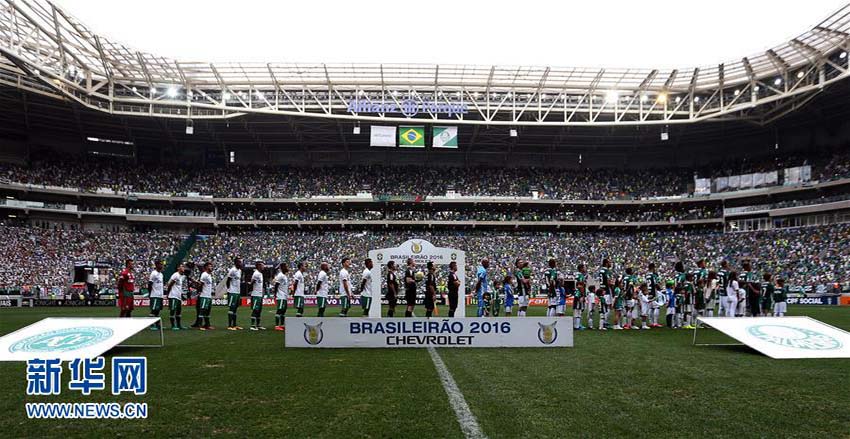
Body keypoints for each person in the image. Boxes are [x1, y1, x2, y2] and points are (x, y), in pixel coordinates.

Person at [165, 262, 186, 331]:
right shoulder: (175, 275)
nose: (183, 268)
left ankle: (179, 325)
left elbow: (178, 287)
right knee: (173, 310)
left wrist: (181, 295)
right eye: (182, 266)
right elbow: (170, 284)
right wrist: (168, 294)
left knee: (178, 312)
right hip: (173, 296)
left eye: (183, 266)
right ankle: (173, 325)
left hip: (178, 296)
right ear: (178, 268)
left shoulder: (181, 276)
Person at [226, 257, 244, 330]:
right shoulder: (232, 270)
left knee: (235, 309)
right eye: (239, 262)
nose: (241, 263)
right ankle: (230, 326)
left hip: (237, 292)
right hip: (232, 292)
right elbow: (228, 281)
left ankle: (235, 325)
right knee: (231, 309)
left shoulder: (239, 271)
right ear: (236, 263)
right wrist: (229, 290)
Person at [147, 260, 164, 330]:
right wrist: (150, 293)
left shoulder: (161, 274)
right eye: (160, 264)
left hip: (160, 295)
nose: (162, 266)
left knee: (157, 310)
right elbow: (149, 284)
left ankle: (157, 324)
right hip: (154, 295)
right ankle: (151, 325)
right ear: (156, 265)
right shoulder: (153, 273)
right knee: (153, 310)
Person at [273, 263, 290, 330]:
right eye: (286, 266)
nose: (287, 268)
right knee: (279, 310)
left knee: (283, 310)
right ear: (283, 267)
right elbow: (276, 285)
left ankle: (282, 325)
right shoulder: (280, 275)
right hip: (280, 295)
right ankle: (277, 326)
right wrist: (275, 294)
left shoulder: (284, 276)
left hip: (285, 296)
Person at [249, 260, 266, 330]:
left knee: (259, 310)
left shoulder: (260, 274)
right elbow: (252, 283)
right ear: (259, 266)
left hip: (259, 295)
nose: (263, 267)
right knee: (255, 310)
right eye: (262, 265)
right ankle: (252, 326)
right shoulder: (256, 274)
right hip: (255, 294)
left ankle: (258, 325)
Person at [198, 262, 214, 330]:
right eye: (210, 266)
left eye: (211, 266)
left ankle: (207, 325)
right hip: (204, 295)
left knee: (208, 311)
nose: (211, 267)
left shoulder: (209, 275)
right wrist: (200, 292)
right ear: (206, 267)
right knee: (202, 310)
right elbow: (201, 285)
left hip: (208, 296)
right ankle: (200, 325)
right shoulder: (204, 275)